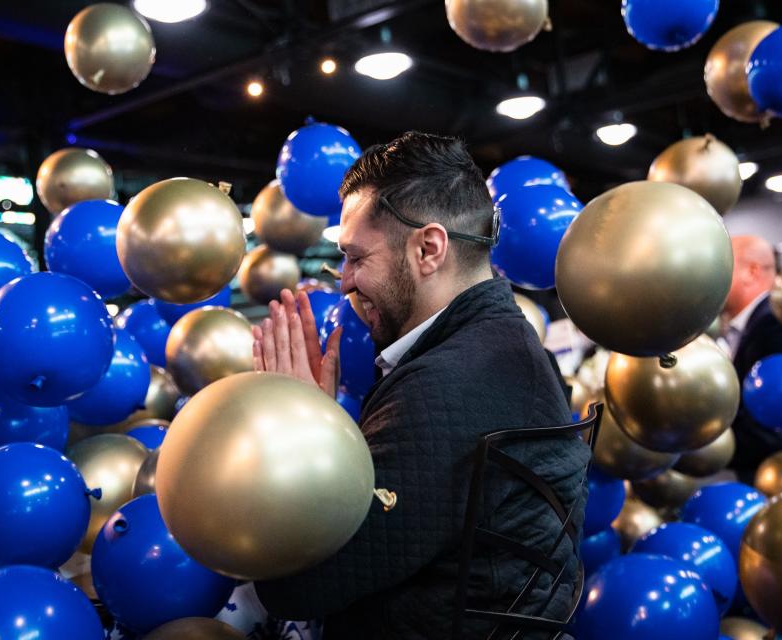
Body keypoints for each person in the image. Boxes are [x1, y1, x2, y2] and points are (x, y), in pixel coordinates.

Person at [249, 132, 591, 640]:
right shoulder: (512, 345)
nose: (343, 281)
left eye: (356, 257)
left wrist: (294, 441)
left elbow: (296, 587)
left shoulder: (442, 388)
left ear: (428, 248)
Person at [723, 235, 782, 480]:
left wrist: (707, 448)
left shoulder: (779, 323)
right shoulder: (753, 325)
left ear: (751, 271)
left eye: (719, 267)